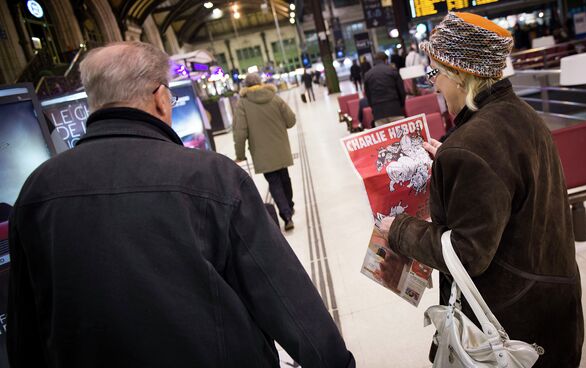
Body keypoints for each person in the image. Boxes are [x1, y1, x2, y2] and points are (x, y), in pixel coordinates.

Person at [7, 41, 355, 368]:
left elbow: (27, 329)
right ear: (160, 98)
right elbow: (284, 297)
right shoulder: (212, 179)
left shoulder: (37, 191)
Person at [379, 12, 583, 367]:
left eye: (435, 73)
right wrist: (452, 157)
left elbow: (468, 254)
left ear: (459, 76)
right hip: (554, 310)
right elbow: (509, 181)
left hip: (509, 329)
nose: (434, 86)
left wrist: (397, 230)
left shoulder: (472, 145)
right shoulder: (521, 114)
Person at [233, 73, 297, 231]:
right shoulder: (274, 97)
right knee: (285, 178)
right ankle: (289, 206)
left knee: (274, 183)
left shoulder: (243, 104)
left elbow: (240, 132)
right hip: (280, 148)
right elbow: (291, 120)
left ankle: (286, 214)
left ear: (246, 86)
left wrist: (240, 155)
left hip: (261, 153)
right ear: (260, 83)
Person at [363, 52, 406, 126]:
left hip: (378, 113)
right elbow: (401, 91)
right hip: (395, 109)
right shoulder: (392, 71)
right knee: (401, 135)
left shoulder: (367, 75)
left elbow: (368, 95)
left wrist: (374, 108)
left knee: (385, 137)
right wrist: (400, 105)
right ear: (385, 60)